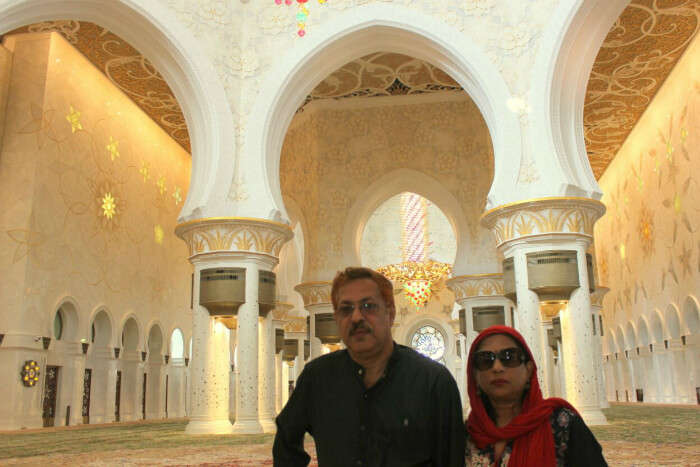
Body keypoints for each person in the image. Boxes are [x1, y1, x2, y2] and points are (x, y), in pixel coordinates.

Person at [273, 266, 466, 466]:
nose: (356, 317)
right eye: (346, 309)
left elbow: (451, 457)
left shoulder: (432, 382)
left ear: (390, 313)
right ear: (337, 318)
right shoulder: (318, 378)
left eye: (368, 306)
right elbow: (286, 441)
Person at [464, 325, 607, 467]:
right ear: (475, 376)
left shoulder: (562, 425)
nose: (497, 367)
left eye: (509, 357)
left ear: (528, 370)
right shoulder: (467, 434)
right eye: (485, 360)